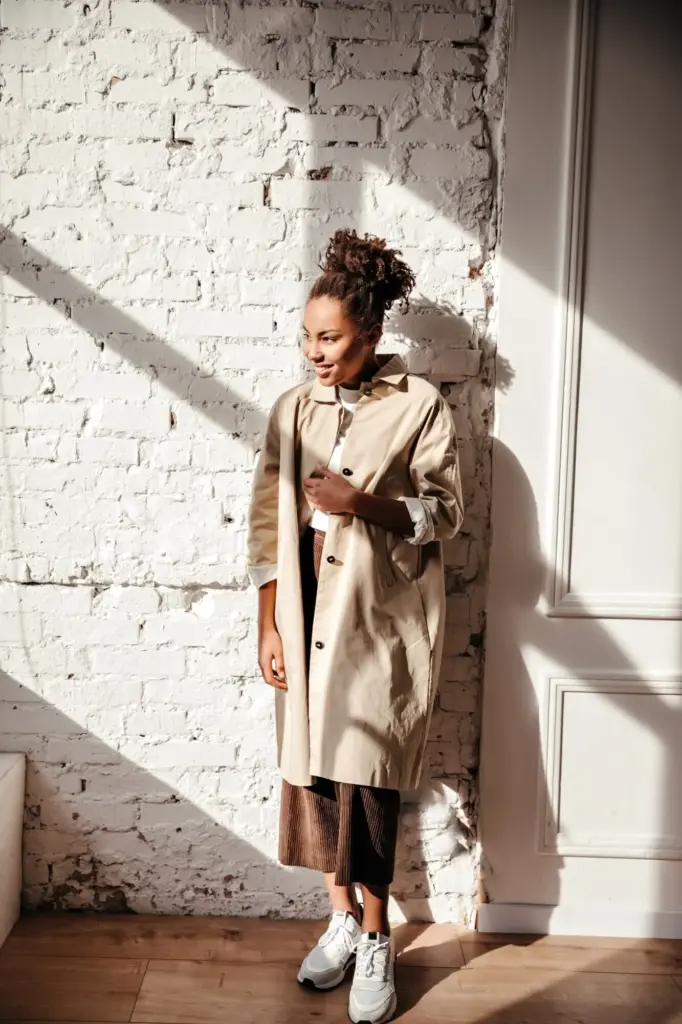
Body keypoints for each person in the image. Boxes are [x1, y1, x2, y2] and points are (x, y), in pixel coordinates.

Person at [247, 229, 464, 1024]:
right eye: (307, 336)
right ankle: (340, 918)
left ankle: (377, 937)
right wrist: (268, 627)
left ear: (369, 334)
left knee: (367, 779)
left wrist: (358, 503)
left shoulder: (420, 405)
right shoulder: (292, 409)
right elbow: (265, 530)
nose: (315, 352)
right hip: (304, 611)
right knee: (313, 775)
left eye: (330, 338)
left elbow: (445, 514)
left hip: (377, 619)